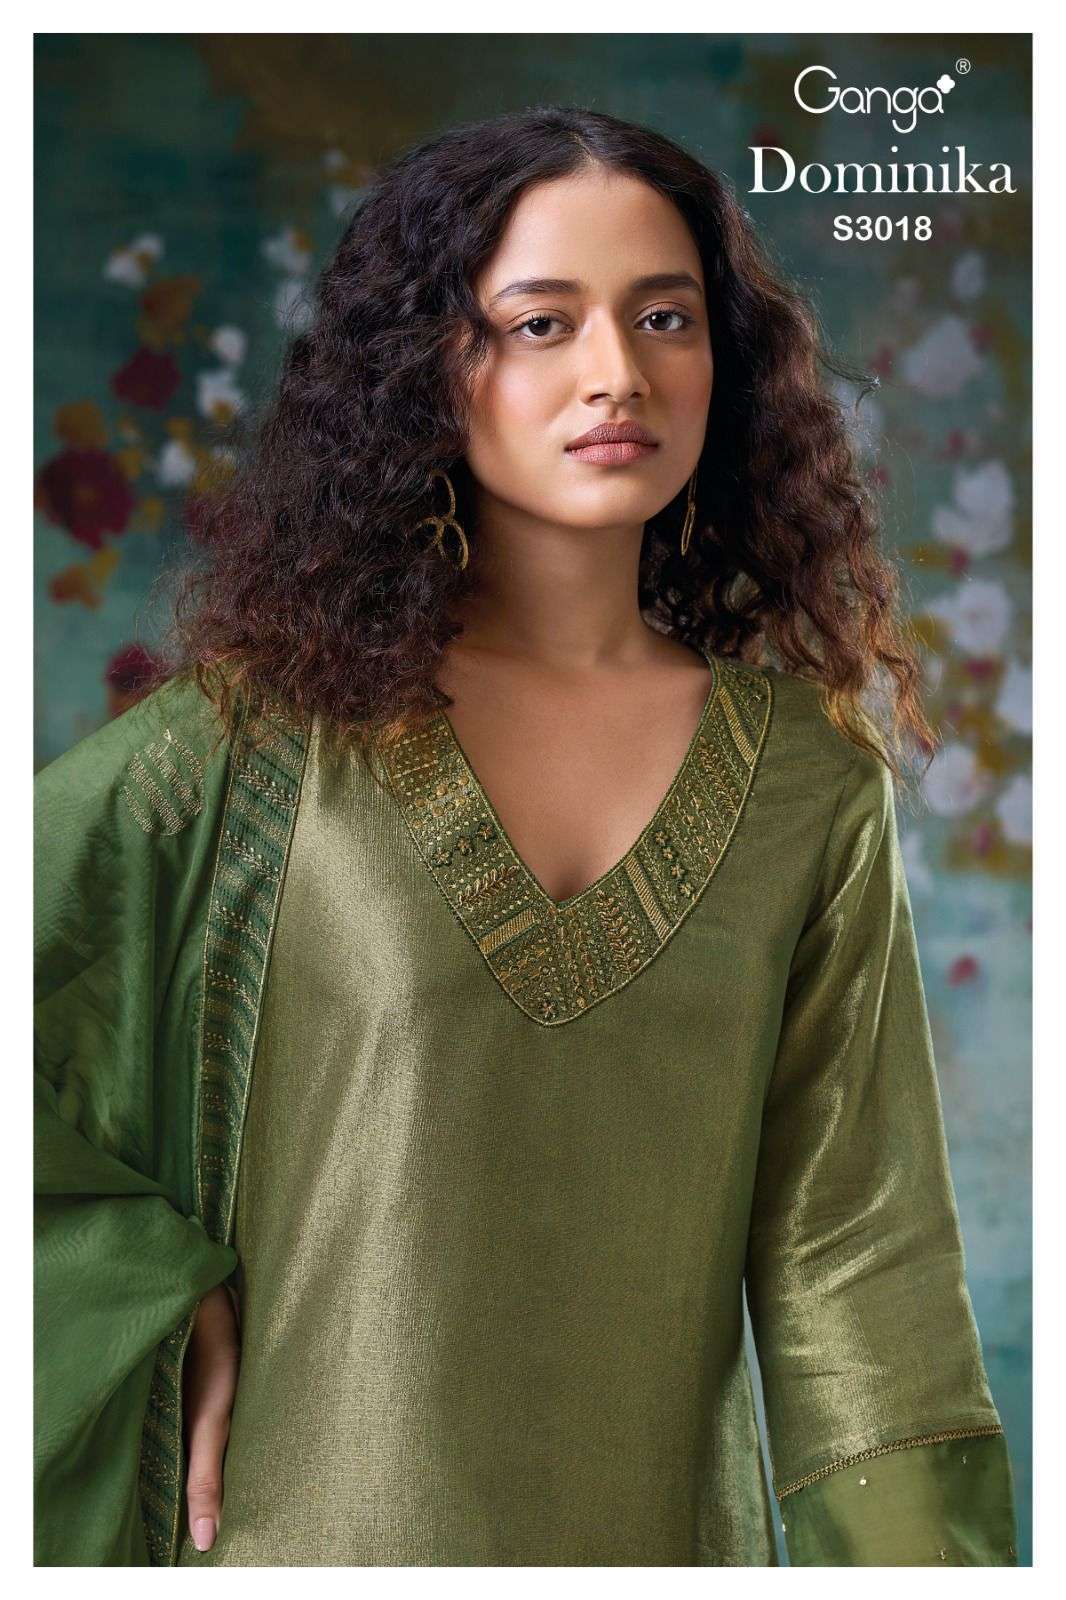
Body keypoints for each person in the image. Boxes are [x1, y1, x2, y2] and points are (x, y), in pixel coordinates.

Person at [34, 104, 1019, 1567]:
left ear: (726, 361)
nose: (618, 373)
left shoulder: (809, 786)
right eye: (541, 323)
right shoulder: (254, 745)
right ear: (426, 365)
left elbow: (855, 1264)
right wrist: (149, 1286)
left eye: (665, 317)